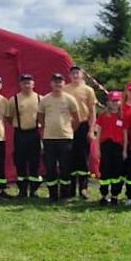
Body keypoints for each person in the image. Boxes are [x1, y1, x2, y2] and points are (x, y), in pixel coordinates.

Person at [39, 73, 83, 201]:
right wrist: (47, 127)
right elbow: (40, 117)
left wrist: (69, 130)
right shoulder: (45, 99)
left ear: (63, 83)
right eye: (55, 82)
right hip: (49, 139)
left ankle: (65, 194)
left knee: (65, 167)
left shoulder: (69, 99)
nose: (57, 84)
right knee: (50, 167)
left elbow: (77, 119)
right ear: (51, 84)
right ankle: (53, 194)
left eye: (60, 82)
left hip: (65, 138)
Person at [5, 74, 43, 198]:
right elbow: (9, 117)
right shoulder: (14, 99)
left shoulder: (40, 98)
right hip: (20, 134)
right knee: (20, 162)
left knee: (34, 162)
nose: (27, 85)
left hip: (34, 134)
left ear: (33, 84)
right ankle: (22, 190)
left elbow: (43, 117)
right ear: (20, 84)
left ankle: (34, 190)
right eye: (24, 83)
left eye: (29, 83)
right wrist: (18, 126)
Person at [65, 65, 98, 199]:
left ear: (82, 75)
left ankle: (83, 188)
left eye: (77, 73)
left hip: (84, 126)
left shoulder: (88, 90)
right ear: (69, 75)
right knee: (70, 157)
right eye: (73, 73)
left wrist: (91, 129)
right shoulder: (65, 89)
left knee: (83, 158)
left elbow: (92, 111)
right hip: (69, 126)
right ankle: (71, 189)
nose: (75, 75)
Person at [93, 91, 128, 205]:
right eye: (113, 101)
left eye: (117, 101)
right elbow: (98, 134)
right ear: (108, 102)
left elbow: (125, 135)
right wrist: (97, 149)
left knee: (116, 173)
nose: (115, 103)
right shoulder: (103, 116)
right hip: (106, 146)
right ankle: (104, 195)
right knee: (105, 171)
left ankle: (114, 195)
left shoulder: (123, 117)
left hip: (118, 147)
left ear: (120, 102)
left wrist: (124, 150)